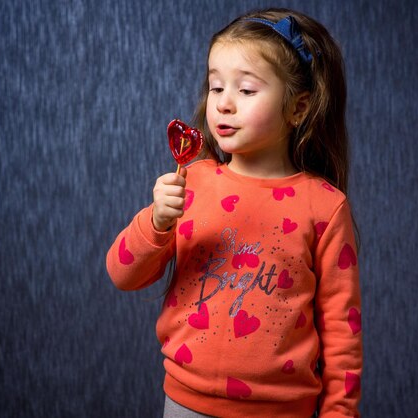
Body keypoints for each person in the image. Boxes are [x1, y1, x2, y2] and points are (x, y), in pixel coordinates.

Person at [106, 7, 362, 418]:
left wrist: (339, 414)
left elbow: (342, 332)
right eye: (215, 87)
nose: (224, 104)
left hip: (282, 410)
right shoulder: (192, 182)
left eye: (246, 90)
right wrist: (155, 222)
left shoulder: (325, 206)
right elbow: (121, 274)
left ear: (298, 108)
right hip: (186, 402)